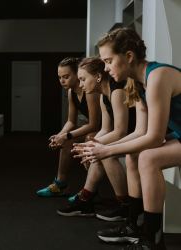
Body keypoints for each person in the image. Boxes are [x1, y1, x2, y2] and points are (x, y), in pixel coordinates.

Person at [77, 27, 181, 250]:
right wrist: (100, 146)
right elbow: (140, 132)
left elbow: (154, 138)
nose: (105, 68)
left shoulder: (157, 76)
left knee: (148, 158)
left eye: (108, 61)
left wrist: (107, 151)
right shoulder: (138, 82)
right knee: (134, 154)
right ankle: (135, 225)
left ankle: (153, 242)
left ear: (129, 56)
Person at [57, 57, 135, 221]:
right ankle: (86, 199)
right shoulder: (102, 96)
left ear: (98, 77)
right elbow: (106, 129)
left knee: (104, 153)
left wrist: (95, 146)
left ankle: (125, 206)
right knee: (97, 149)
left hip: (138, 136)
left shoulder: (117, 91)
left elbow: (120, 132)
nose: (81, 84)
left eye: (83, 79)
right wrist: (90, 145)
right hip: (128, 136)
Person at [37, 57, 101, 197]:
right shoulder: (71, 92)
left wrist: (66, 135)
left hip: (104, 128)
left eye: (66, 76)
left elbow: (94, 124)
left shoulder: (90, 91)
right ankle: (60, 184)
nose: (62, 81)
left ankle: (89, 191)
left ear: (77, 73)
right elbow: (71, 121)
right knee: (66, 142)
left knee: (89, 138)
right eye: (59, 77)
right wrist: (60, 136)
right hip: (93, 127)